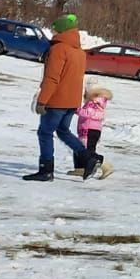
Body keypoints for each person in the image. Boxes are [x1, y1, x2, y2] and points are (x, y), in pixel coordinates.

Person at [24, 13, 98, 181]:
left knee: (45, 133)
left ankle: (46, 170)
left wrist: (43, 100)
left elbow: (52, 77)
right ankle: (88, 157)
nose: (52, 32)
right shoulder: (79, 51)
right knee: (63, 130)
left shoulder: (58, 49)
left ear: (62, 30)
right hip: (72, 100)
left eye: (55, 29)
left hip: (57, 100)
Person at [68, 82, 114, 179]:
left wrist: (75, 109)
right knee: (79, 148)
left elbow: (88, 113)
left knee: (87, 151)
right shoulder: (95, 101)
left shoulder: (95, 102)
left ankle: (105, 165)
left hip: (90, 130)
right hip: (87, 129)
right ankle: (80, 168)